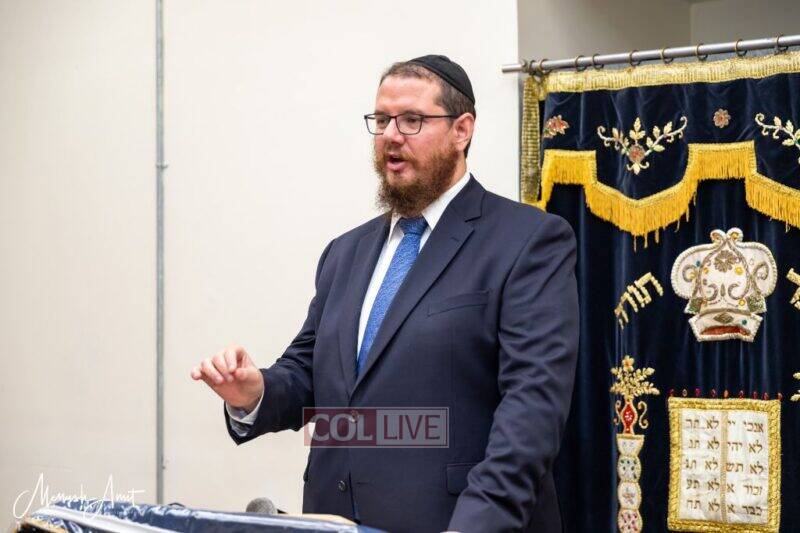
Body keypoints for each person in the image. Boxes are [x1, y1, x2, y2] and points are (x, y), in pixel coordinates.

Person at [191, 54, 579, 533]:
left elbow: (531, 411)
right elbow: (311, 372)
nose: (391, 135)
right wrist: (255, 393)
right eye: (381, 120)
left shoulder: (527, 241)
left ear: (462, 130)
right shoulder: (345, 252)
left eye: (412, 120)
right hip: (334, 519)